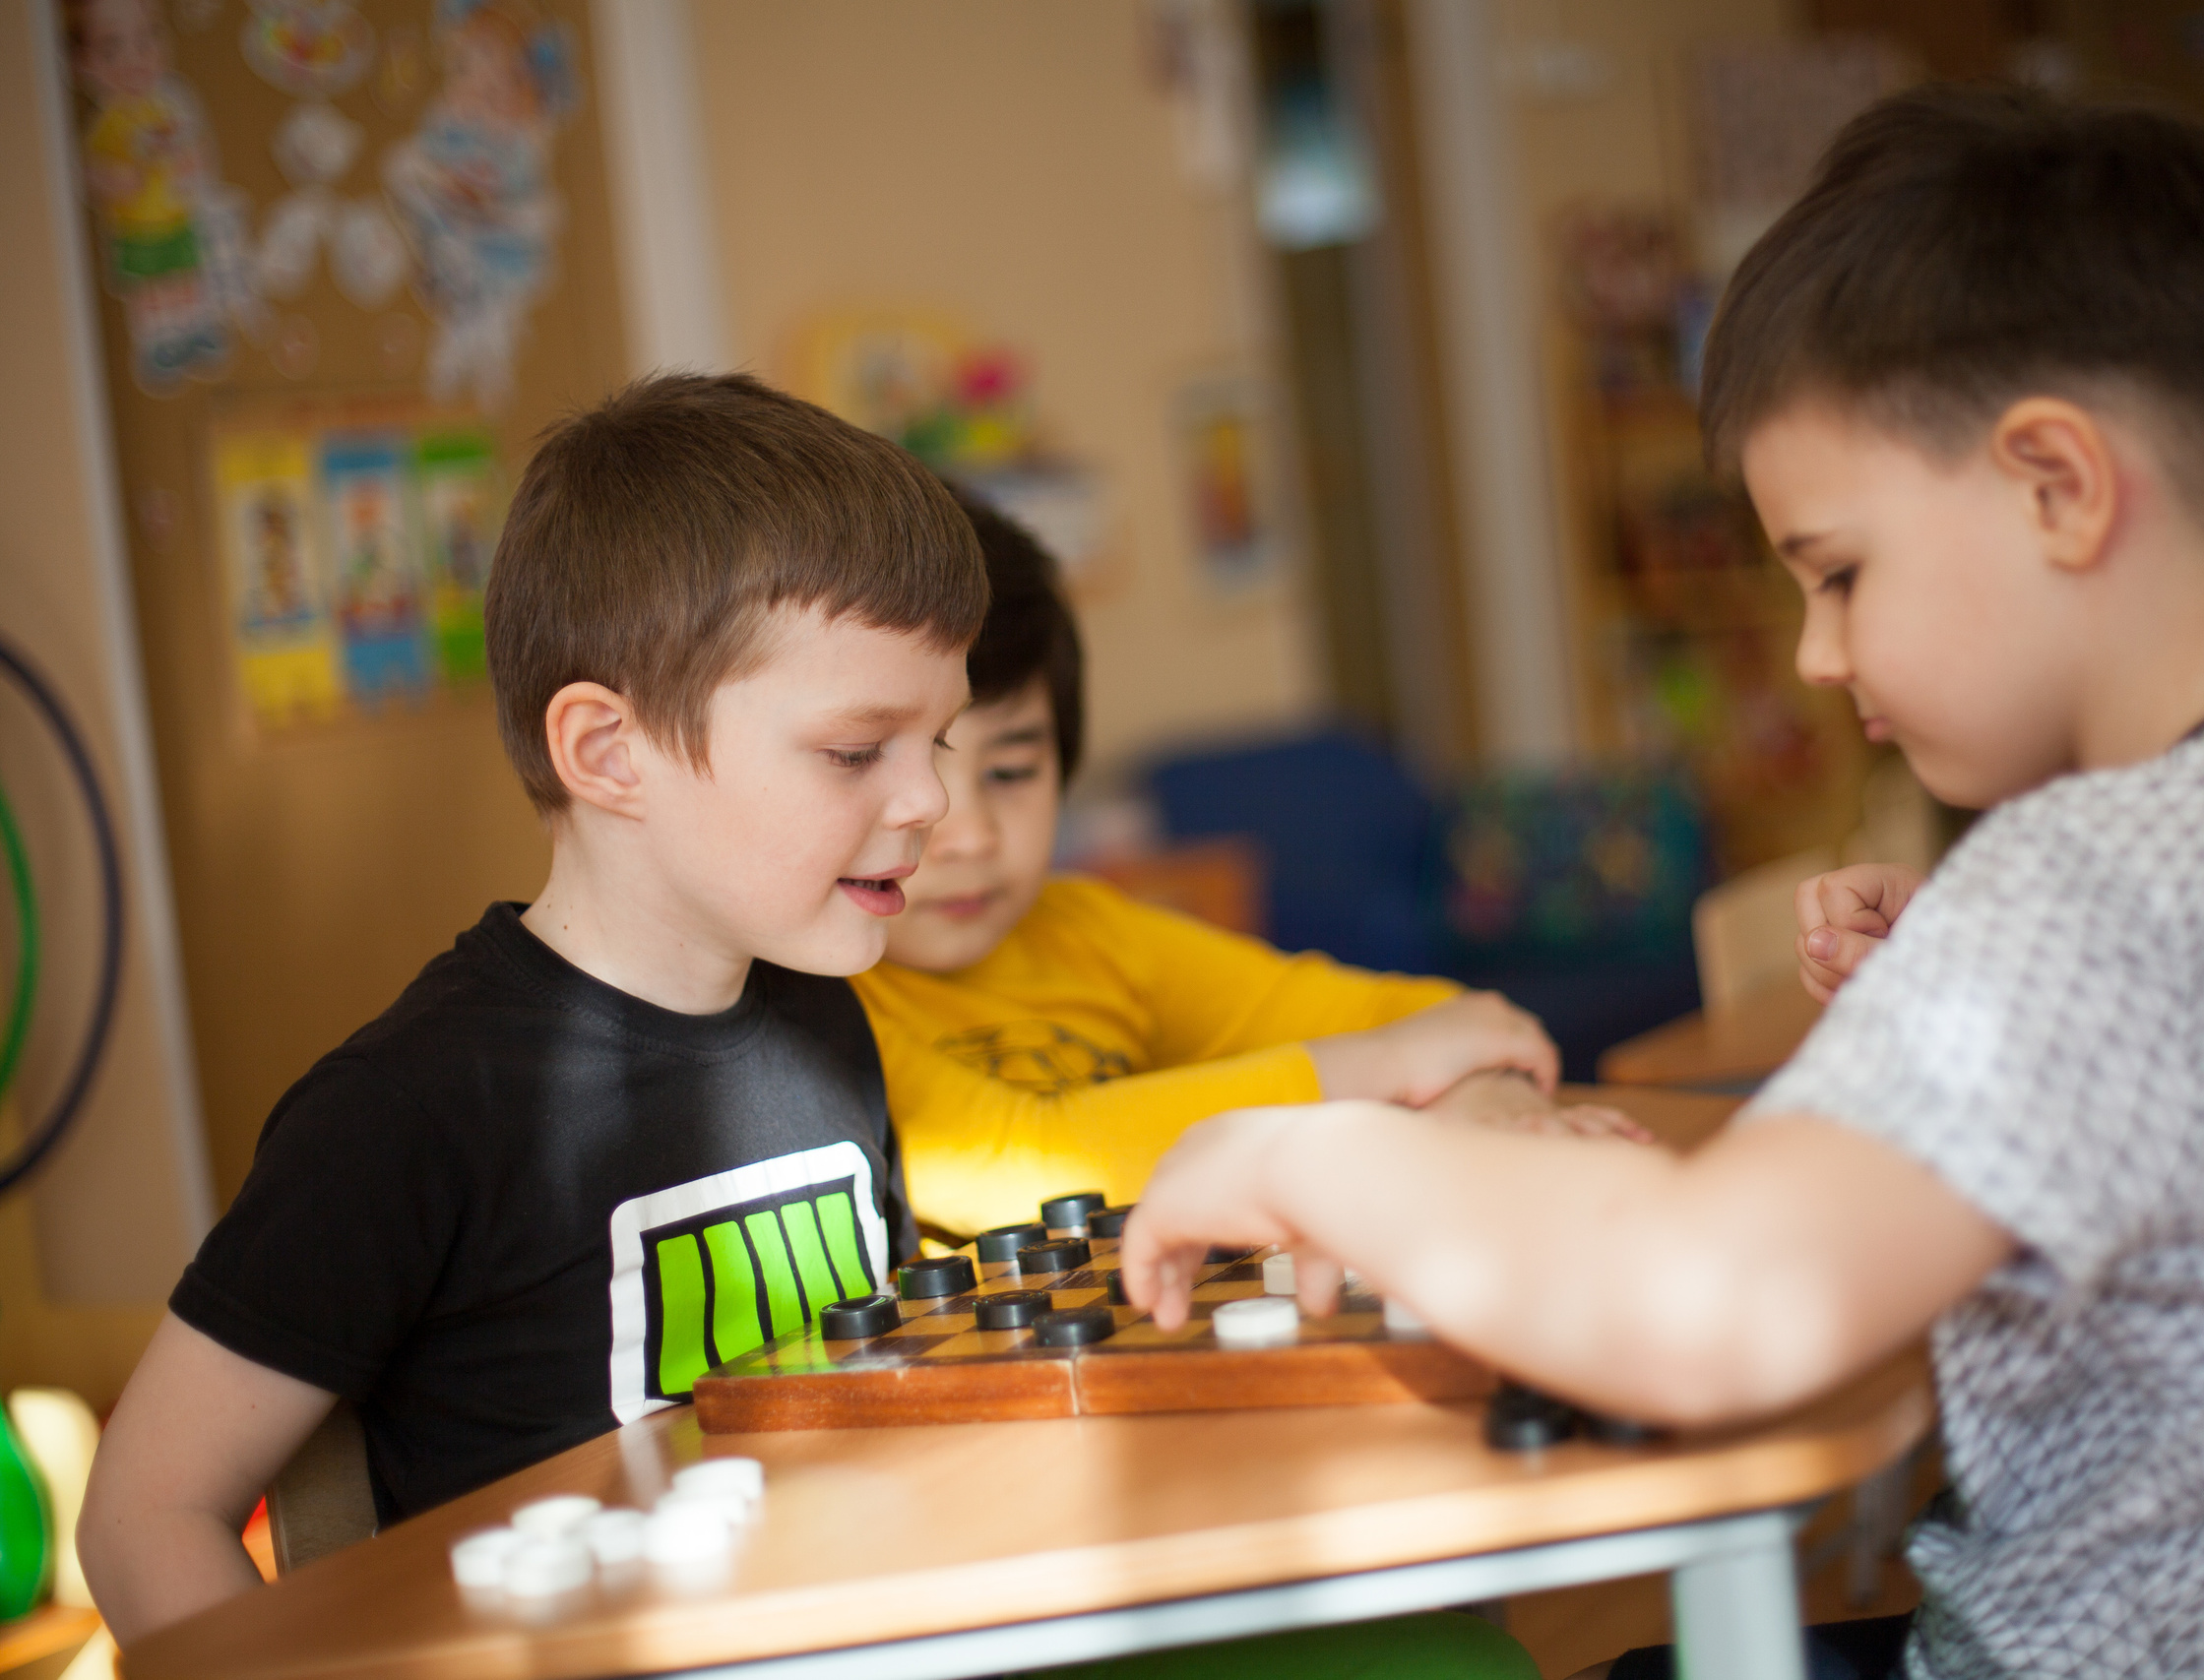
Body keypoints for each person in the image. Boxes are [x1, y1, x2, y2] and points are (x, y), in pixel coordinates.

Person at [1116, 86, 2204, 1680]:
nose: (1816, 651)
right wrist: (1972, 1003)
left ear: (2057, 483)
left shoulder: (2093, 890)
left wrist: (1318, 1156)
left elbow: (1708, 1300)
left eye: (1842, 572)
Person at [78, 375, 1537, 1680]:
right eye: (858, 751)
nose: (932, 806)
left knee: (1446, 1648)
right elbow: (146, 1512)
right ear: (609, 752)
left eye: (945, 742)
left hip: (896, 1627)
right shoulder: (415, 1103)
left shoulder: (829, 1023)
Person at [852, 491, 1639, 1238]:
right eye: (902, 768)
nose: (969, 835)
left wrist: (1483, 1095)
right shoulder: (828, 991)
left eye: (1012, 772)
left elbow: (1426, 1016)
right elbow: (1028, 1158)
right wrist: (1397, 1066)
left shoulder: (1087, 930)